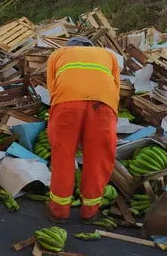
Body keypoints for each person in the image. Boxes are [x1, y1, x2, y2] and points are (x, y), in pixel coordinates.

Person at [45, 36, 121, 223]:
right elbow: (116, 87)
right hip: (102, 105)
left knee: (62, 156)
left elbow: (52, 86)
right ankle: (90, 212)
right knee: (98, 157)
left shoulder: (58, 54)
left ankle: (59, 212)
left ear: (69, 47)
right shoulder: (108, 55)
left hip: (66, 103)